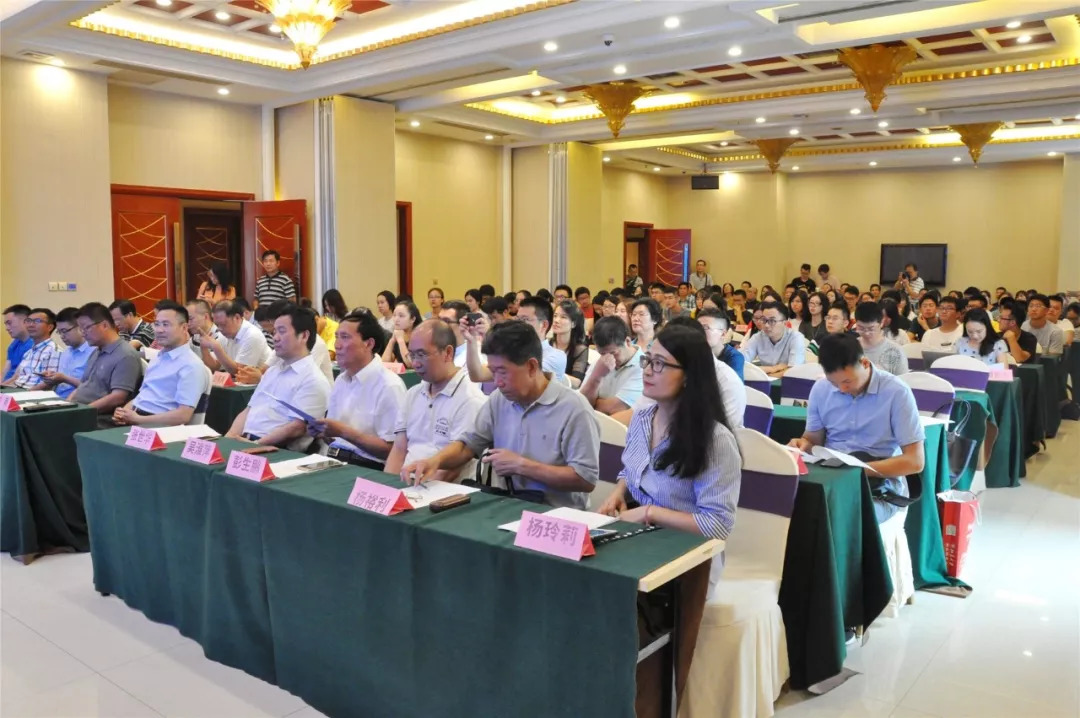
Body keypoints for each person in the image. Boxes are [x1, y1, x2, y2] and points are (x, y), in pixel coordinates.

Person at [598, 324, 740, 700]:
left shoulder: (714, 440)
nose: (647, 370)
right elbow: (632, 470)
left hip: (689, 561)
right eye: (648, 360)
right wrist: (618, 493)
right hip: (638, 539)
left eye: (660, 364)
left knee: (613, 608)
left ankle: (642, 698)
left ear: (689, 375)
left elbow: (716, 525)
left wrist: (649, 512)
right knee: (586, 587)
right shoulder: (643, 418)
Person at [401, 322, 600, 510]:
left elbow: (585, 478)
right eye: (493, 372)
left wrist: (522, 466)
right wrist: (434, 462)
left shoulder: (574, 408)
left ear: (531, 367)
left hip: (556, 514)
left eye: (503, 372)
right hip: (508, 506)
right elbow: (467, 445)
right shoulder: (500, 399)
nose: (497, 382)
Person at [789, 333, 925, 523]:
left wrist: (858, 471)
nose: (841, 389)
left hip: (878, 486)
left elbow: (915, 461)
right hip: (833, 479)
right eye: (834, 383)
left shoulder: (896, 392)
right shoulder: (821, 389)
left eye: (847, 382)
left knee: (842, 517)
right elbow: (812, 440)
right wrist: (802, 444)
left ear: (865, 363)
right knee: (790, 508)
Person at [384, 319, 486, 479]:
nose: (415, 363)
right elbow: (398, 449)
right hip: (406, 482)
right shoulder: (413, 394)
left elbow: (455, 465)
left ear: (448, 353)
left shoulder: (471, 399)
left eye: (421, 355)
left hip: (442, 488)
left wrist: (416, 490)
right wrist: (387, 485)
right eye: (412, 355)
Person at [306, 309, 406, 470]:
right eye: (337, 337)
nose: (337, 345)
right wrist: (323, 431)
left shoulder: (389, 385)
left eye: (345, 337)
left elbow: (394, 451)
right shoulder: (341, 380)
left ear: (369, 344)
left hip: (367, 466)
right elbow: (335, 439)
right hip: (333, 459)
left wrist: (343, 432)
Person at [226, 304, 331, 449]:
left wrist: (255, 445)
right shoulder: (272, 372)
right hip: (246, 442)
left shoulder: (314, 379)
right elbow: (249, 410)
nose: (275, 338)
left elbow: (296, 428)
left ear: (304, 336)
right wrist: (228, 438)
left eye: (281, 331)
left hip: (275, 451)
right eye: (274, 332)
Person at [112, 300, 208, 427]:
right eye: (157, 324)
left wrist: (138, 419)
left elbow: (183, 415)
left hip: (159, 427)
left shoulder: (191, 365)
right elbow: (142, 396)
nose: (159, 330)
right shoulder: (158, 358)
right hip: (136, 420)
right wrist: (124, 411)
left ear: (184, 328)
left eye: (166, 325)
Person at [71, 303, 144, 427]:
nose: (83, 333)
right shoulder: (96, 351)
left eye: (86, 328)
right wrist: (67, 405)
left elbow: (118, 397)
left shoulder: (125, 355)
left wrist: (82, 412)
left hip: (100, 418)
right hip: (80, 411)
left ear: (104, 325)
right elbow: (83, 385)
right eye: (81, 329)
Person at [467, 296, 566, 383]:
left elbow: (522, 378)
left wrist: (492, 335)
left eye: (525, 319)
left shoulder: (556, 356)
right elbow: (478, 375)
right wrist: (471, 339)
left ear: (544, 325)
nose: (519, 324)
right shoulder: (511, 350)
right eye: (518, 319)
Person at [579, 317, 644, 415]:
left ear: (627, 342)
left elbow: (615, 409)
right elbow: (582, 402)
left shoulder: (644, 367)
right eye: (602, 354)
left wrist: (593, 403)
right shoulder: (601, 361)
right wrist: (596, 377)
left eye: (613, 353)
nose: (608, 359)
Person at [201, 300, 272, 375]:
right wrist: (204, 348)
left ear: (237, 318)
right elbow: (214, 366)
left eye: (223, 324)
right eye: (217, 325)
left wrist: (217, 348)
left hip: (265, 379)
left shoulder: (252, 335)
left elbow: (240, 372)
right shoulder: (223, 334)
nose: (220, 329)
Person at [39, 307, 94, 399]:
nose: (62, 336)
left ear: (80, 328)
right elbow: (61, 379)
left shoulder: (94, 352)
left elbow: (93, 388)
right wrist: (52, 376)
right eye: (59, 332)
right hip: (58, 397)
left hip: (78, 401)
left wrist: (64, 378)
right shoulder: (66, 351)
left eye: (64, 331)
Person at [739, 300, 806, 376]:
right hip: (765, 380)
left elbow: (793, 371)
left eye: (772, 321)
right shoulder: (758, 337)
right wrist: (773, 369)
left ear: (785, 323)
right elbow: (740, 363)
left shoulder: (796, 338)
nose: (766, 325)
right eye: (764, 320)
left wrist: (765, 374)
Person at [2, 308, 61, 389]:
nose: (31, 325)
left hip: (31, 393)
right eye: (28, 321)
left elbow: (49, 383)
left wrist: (26, 393)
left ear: (50, 327)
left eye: (37, 321)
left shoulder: (54, 351)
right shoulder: (29, 352)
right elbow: (15, 378)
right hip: (16, 389)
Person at [854, 302, 908, 376]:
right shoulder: (850, 348)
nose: (866, 333)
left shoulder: (895, 351)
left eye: (871, 329)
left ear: (882, 323)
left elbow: (902, 381)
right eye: (861, 328)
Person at [697, 308, 745, 381]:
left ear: (723, 333)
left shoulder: (734, 357)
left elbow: (734, 385)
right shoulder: (693, 353)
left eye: (705, 328)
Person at [381, 300, 423, 368]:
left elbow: (412, 364)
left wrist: (400, 340)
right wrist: (392, 340)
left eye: (401, 316)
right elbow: (384, 363)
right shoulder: (398, 336)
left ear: (412, 319)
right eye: (394, 315)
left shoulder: (421, 337)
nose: (396, 319)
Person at [2, 304, 33, 382]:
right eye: (6, 324)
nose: (7, 328)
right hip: (6, 385)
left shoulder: (34, 345)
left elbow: (17, 377)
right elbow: (4, 372)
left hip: (17, 385)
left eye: (9, 323)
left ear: (26, 321)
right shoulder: (14, 344)